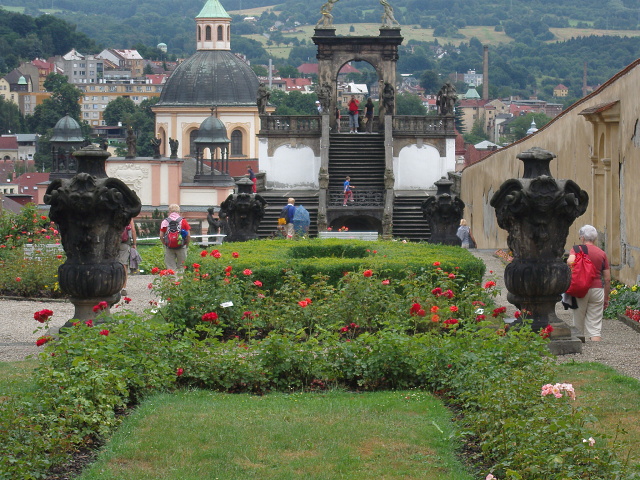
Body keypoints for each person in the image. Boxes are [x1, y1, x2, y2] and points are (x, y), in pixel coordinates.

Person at [566, 225, 610, 342]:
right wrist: (606, 298)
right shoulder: (602, 253)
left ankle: (580, 345)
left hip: (581, 289)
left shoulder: (576, 249)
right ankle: (596, 346)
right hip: (597, 289)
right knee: (595, 325)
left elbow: (570, 261)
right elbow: (607, 279)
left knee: (578, 321)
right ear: (595, 239)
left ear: (582, 237)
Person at [159, 204, 191, 273]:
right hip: (181, 246)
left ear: (169, 211)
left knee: (170, 268)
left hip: (169, 247)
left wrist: (165, 244)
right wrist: (186, 244)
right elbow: (188, 235)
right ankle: (180, 282)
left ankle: (172, 282)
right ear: (179, 212)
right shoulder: (183, 221)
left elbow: (161, 236)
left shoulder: (165, 221)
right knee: (181, 267)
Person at [118, 219, 137, 295]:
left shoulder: (113, 211)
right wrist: (134, 243)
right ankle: (123, 287)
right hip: (125, 243)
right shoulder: (129, 215)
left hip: (113, 242)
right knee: (124, 264)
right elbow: (133, 230)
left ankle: (114, 286)